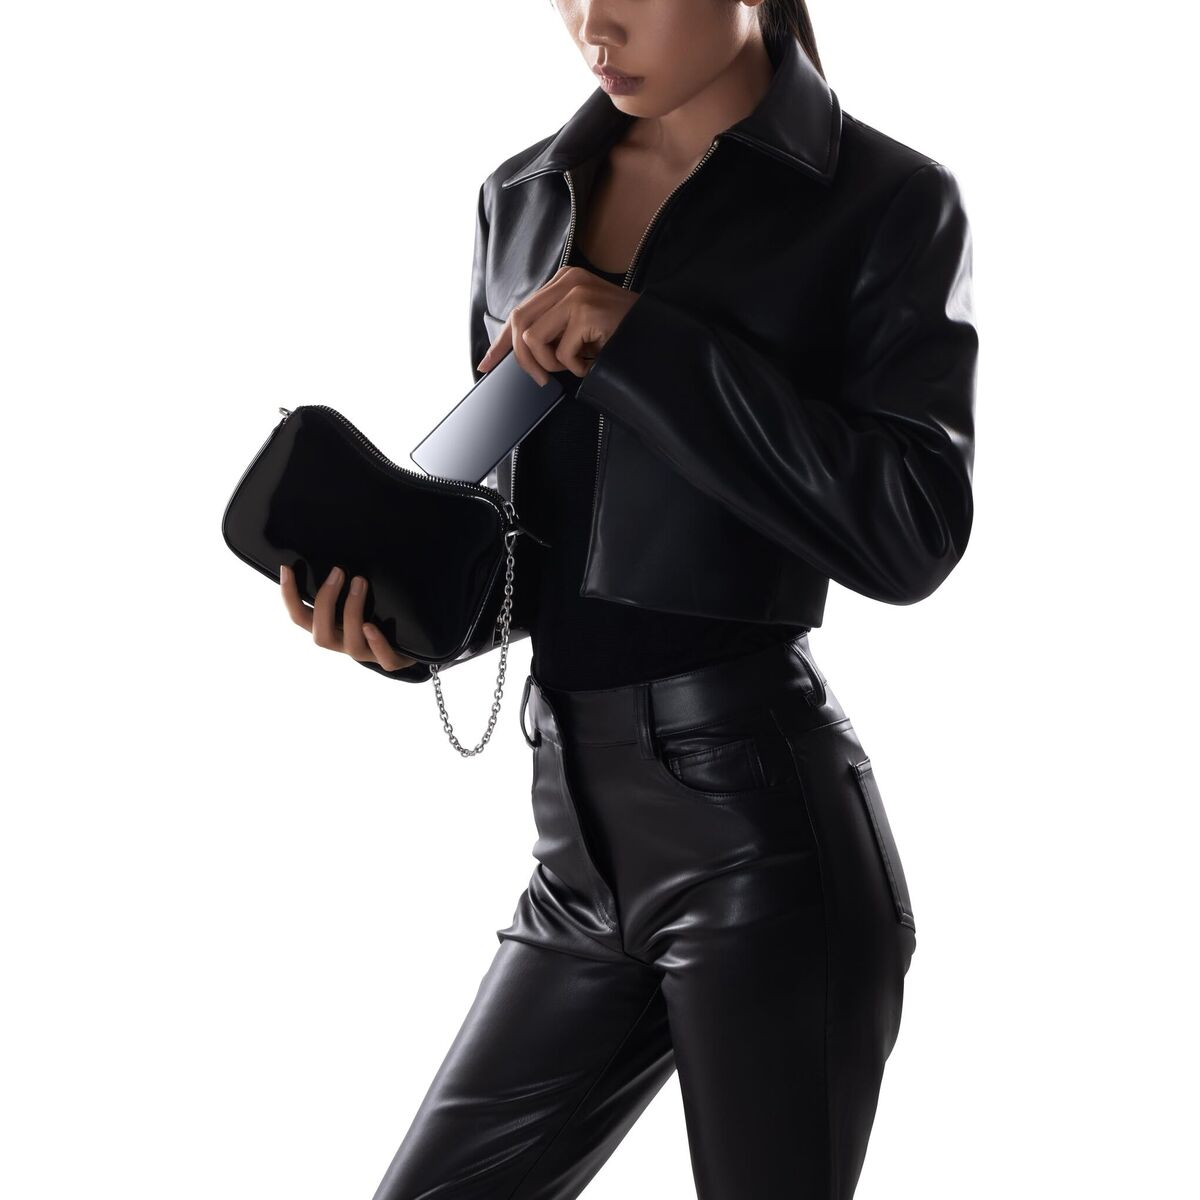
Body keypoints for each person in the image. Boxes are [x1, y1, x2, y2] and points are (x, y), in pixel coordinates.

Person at [282, 2, 976, 1195]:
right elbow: (536, 553)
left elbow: (910, 532)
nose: (593, 23)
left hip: (759, 842)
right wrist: (406, 622)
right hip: (576, 856)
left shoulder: (883, 199)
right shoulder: (522, 198)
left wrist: (646, 344)